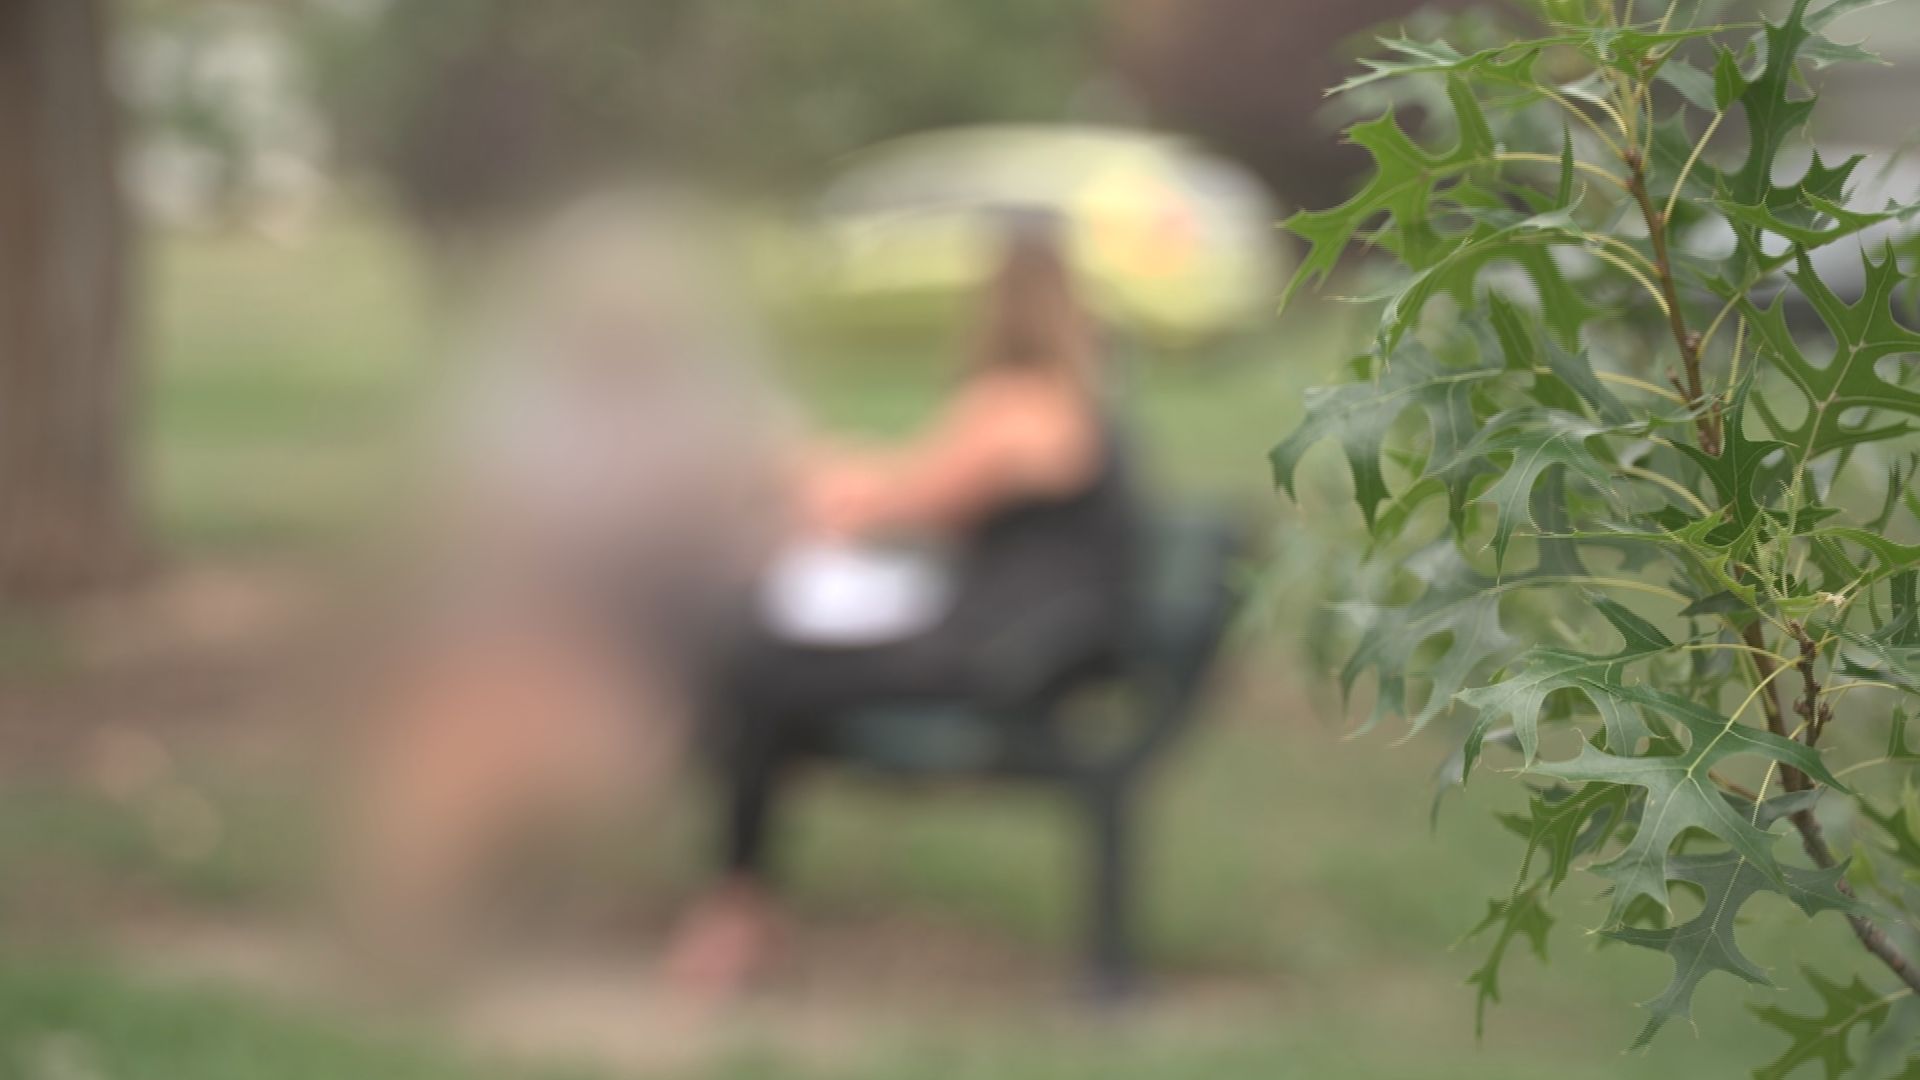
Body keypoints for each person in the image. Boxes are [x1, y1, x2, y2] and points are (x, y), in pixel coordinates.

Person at [665, 218, 1140, 994]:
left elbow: (903, 500)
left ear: (1000, 306)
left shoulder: (1018, 406)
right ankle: (737, 892)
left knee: (756, 659)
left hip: (1009, 656)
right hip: (1035, 642)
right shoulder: (1069, 404)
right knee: (763, 658)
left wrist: (801, 466)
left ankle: (736, 904)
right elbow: (919, 495)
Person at [341, 194, 784, 967]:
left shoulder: (708, 411)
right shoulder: (515, 412)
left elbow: (758, 519)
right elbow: (478, 536)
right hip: (517, 636)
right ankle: (406, 922)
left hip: (641, 647)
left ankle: (425, 913)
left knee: (563, 744)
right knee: (460, 726)